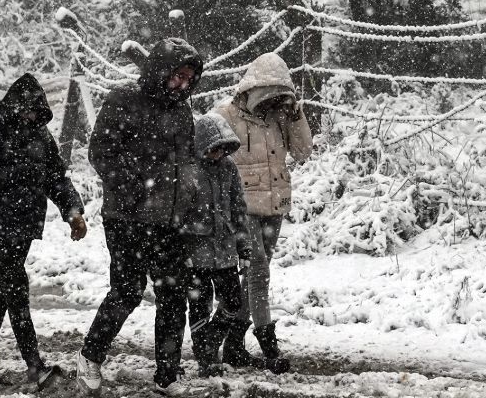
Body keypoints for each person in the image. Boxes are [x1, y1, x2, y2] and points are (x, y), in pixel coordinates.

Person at [76, 37, 204, 396]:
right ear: (161, 70)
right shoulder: (123, 100)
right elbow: (100, 153)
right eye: (178, 76)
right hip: (127, 217)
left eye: (189, 79)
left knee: (172, 295)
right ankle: (89, 357)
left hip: (170, 219)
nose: (183, 84)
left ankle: (168, 375)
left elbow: (187, 159)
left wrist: (189, 197)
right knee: (127, 292)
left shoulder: (181, 110)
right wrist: (138, 186)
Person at [0, 73, 88, 390]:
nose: (30, 119)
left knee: (1, 290)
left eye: (36, 114)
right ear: (12, 106)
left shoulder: (39, 135)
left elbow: (56, 177)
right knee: (16, 289)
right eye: (26, 112)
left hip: (23, 227)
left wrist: (73, 211)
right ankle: (34, 366)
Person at [215, 52, 313, 375]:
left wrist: (295, 114)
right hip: (242, 210)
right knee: (258, 273)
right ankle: (268, 344)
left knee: (254, 277)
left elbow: (303, 151)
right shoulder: (225, 115)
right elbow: (205, 149)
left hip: (274, 207)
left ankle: (233, 342)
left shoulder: (281, 117)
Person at [182, 112, 254, 376]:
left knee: (233, 302)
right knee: (199, 306)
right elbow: (177, 215)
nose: (219, 154)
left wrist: (243, 246)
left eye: (224, 149)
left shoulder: (229, 168)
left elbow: (239, 209)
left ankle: (210, 341)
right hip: (195, 253)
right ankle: (205, 358)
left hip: (224, 252)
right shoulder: (188, 170)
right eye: (214, 149)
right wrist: (182, 249)